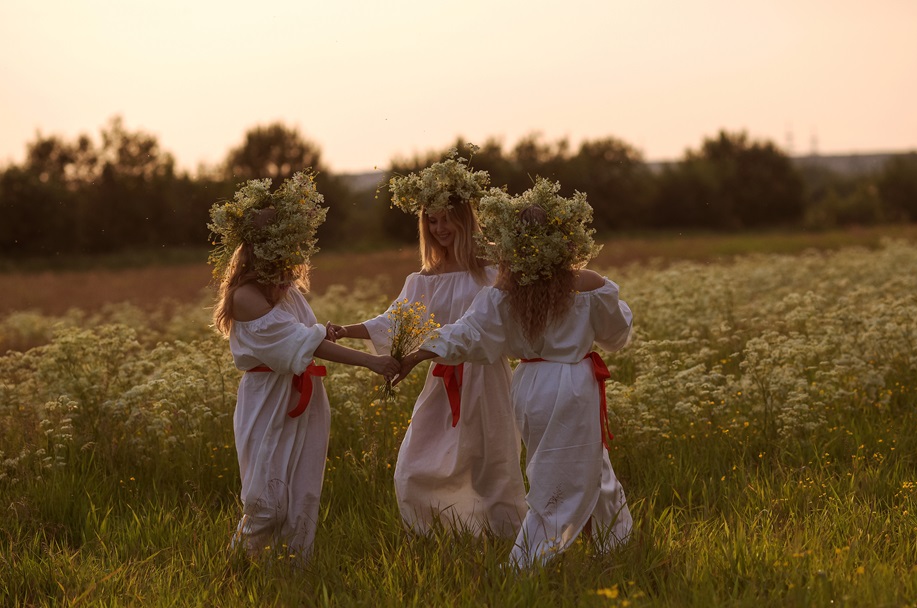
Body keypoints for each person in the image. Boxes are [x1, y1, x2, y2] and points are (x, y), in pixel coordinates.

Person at [396, 179, 633, 569]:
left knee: (584, 463)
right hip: (574, 383)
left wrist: (420, 353)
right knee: (562, 470)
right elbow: (617, 335)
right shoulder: (589, 284)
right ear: (564, 238)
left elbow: (467, 334)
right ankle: (530, 560)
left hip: (529, 385)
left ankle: (613, 544)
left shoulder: (504, 291)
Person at [327, 147, 527, 537]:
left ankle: (508, 538)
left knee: (493, 464)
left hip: (486, 377)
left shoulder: (491, 268)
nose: (439, 228)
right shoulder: (424, 278)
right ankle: (443, 535)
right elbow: (398, 320)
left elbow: (497, 323)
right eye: (431, 221)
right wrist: (345, 330)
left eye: (446, 219)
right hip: (440, 378)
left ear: (465, 218)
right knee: (418, 463)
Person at [209, 171, 400, 560]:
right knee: (266, 500)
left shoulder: (287, 288)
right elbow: (299, 342)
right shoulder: (244, 295)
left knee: (302, 494)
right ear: (254, 248)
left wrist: (323, 334)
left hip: (302, 395)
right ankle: (238, 568)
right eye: (272, 245)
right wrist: (371, 362)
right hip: (267, 399)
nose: (282, 255)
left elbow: (304, 337)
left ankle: (292, 572)